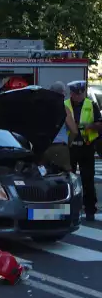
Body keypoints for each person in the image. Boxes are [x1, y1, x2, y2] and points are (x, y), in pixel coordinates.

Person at [66, 80, 102, 221]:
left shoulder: (91, 104)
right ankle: (68, 211)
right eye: (76, 94)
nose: (79, 96)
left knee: (88, 180)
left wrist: (90, 126)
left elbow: (100, 124)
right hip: (70, 147)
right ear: (72, 93)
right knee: (69, 180)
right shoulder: (65, 105)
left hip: (86, 146)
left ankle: (90, 210)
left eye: (81, 94)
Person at [42, 81, 80, 172]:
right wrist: (68, 142)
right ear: (62, 93)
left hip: (43, 149)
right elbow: (74, 131)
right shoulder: (64, 109)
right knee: (64, 176)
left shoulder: (42, 108)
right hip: (59, 148)